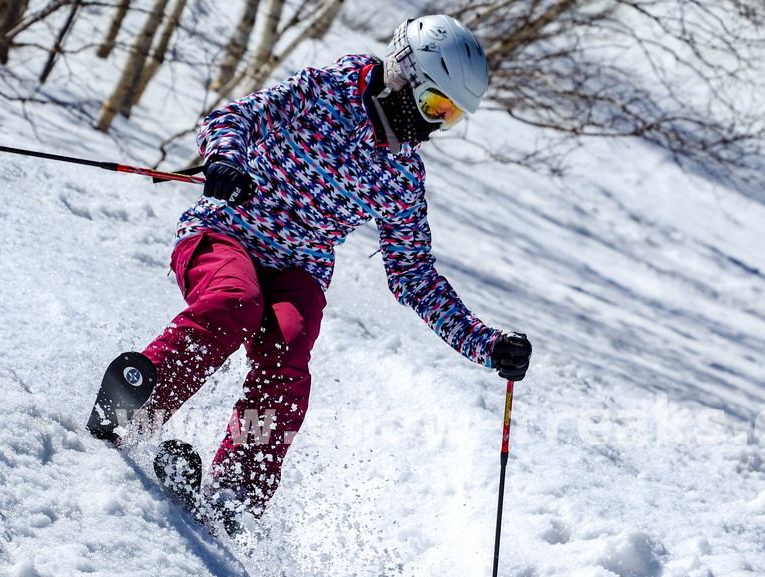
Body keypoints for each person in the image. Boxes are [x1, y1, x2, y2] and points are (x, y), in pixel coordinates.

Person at [87, 14, 533, 530]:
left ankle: (238, 487)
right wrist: (228, 160)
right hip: (227, 230)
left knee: (289, 348)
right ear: (403, 72)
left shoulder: (403, 175)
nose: (434, 125)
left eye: (450, 117)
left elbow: (412, 273)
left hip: (299, 266)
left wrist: (486, 343)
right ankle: (137, 409)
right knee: (235, 302)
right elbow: (232, 117)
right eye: (435, 104)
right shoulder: (327, 90)